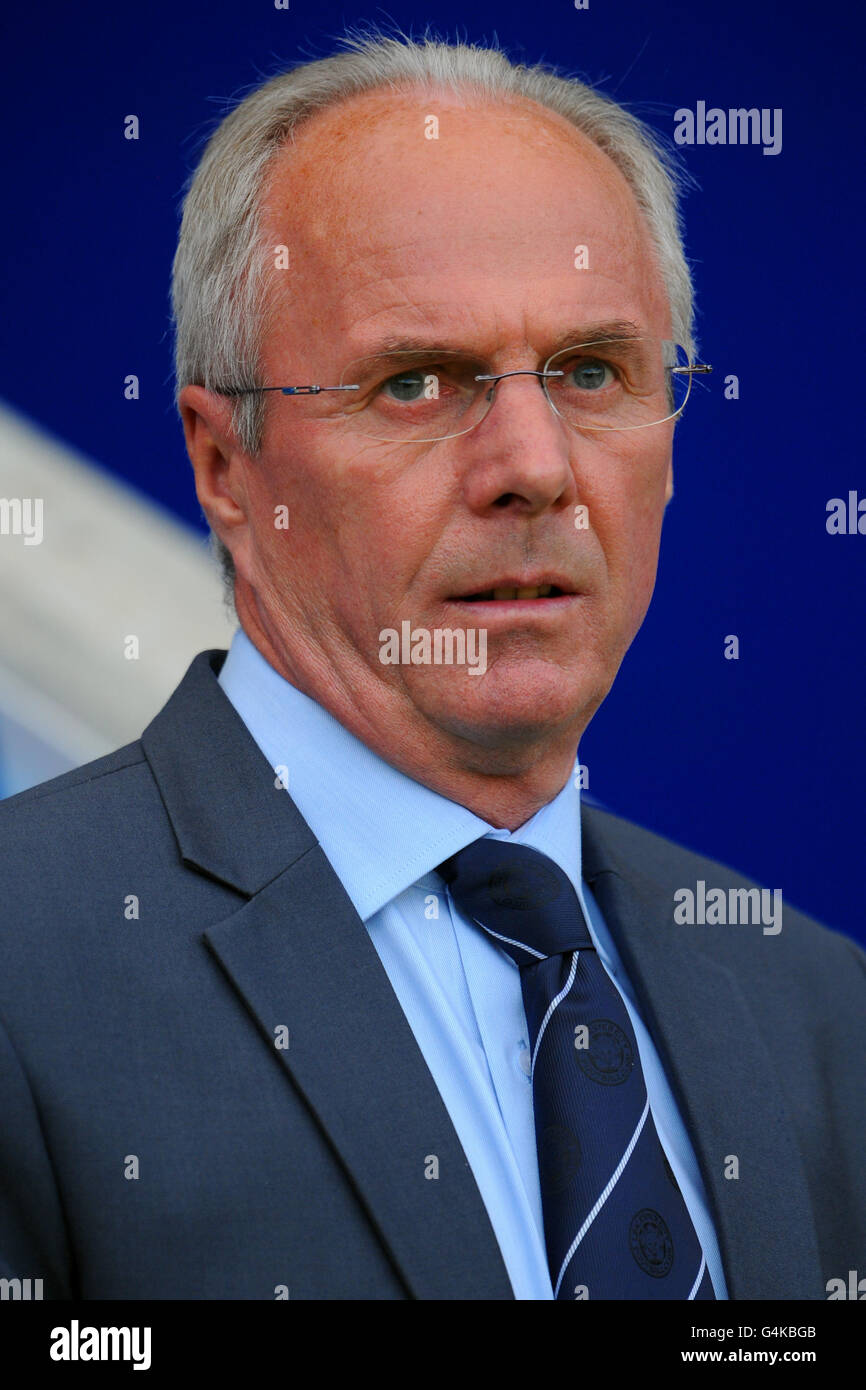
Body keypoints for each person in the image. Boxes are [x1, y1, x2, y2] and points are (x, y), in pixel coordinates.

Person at [1, 32, 863, 1302]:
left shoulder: (819, 1009)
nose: (534, 464)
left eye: (589, 372)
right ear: (225, 465)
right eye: (415, 381)